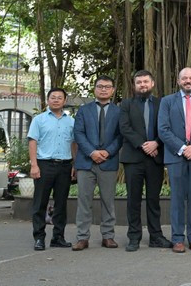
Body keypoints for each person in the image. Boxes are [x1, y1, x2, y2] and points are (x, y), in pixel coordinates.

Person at [158, 67, 191, 253]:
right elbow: (163, 129)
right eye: (184, 78)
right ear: (178, 80)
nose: (188, 81)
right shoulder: (167, 102)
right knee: (177, 198)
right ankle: (178, 238)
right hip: (175, 157)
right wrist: (182, 149)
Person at [118, 69, 173, 251]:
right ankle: (134, 237)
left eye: (145, 82)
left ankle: (156, 236)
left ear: (152, 84)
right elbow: (125, 128)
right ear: (134, 85)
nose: (142, 85)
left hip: (155, 158)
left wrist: (156, 143)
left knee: (153, 199)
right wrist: (144, 145)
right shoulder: (126, 104)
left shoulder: (161, 103)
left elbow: (166, 127)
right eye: (139, 82)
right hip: (133, 159)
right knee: (133, 199)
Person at [73, 76, 123, 250]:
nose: (103, 89)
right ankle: (82, 237)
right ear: (94, 89)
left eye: (107, 87)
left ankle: (108, 236)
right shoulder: (83, 110)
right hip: (86, 163)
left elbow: (121, 136)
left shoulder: (119, 111)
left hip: (108, 162)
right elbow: (78, 133)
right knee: (84, 201)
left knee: (108, 201)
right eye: (100, 86)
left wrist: (108, 152)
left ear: (113, 90)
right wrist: (92, 152)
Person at [28, 87, 77, 251]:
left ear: (64, 101)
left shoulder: (71, 121)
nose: (56, 100)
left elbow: (74, 144)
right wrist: (34, 165)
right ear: (48, 100)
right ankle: (39, 238)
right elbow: (33, 142)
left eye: (59, 97)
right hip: (44, 165)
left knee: (61, 204)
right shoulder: (39, 120)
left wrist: (74, 165)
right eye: (53, 97)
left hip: (64, 165)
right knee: (40, 203)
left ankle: (58, 237)